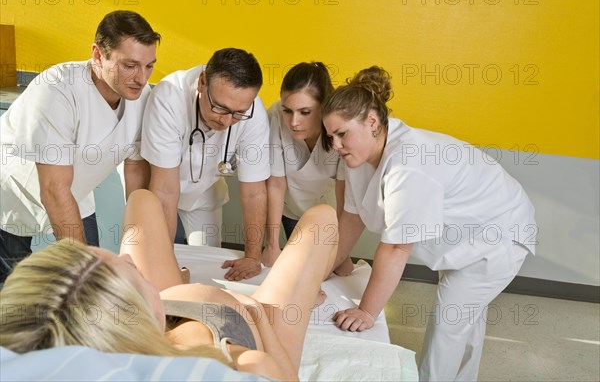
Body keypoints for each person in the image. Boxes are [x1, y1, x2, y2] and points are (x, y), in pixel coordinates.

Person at [322, 66, 537, 381]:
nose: (336, 145)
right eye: (331, 136)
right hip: (469, 234)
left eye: (342, 133)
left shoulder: (408, 163)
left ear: (371, 121)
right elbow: (351, 222)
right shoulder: (357, 156)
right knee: (464, 320)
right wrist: (321, 269)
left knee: (449, 324)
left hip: (499, 233)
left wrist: (367, 312)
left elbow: (397, 247)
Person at [0, 189, 337, 381]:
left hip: (168, 304)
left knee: (141, 199)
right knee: (322, 219)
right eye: (131, 271)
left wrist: (169, 289)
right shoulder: (244, 365)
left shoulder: (109, 334)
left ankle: (172, 279)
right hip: (249, 321)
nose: (129, 257)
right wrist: (257, 315)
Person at [0, 10, 160, 283]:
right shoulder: (57, 90)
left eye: (149, 66)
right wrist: (86, 269)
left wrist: (139, 248)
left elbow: (135, 172)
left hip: (76, 194)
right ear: (98, 55)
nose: (141, 78)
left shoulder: (142, 97)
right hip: (13, 195)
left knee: (88, 282)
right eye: (130, 65)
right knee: (14, 294)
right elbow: (52, 188)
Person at [142, 48, 269, 282]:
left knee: (211, 263)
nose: (226, 120)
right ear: (202, 82)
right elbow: (164, 190)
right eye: (219, 107)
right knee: (153, 261)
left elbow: (254, 192)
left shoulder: (254, 113)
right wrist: (165, 266)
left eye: (237, 113)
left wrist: (253, 256)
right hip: (156, 183)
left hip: (205, 189)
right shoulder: (169, 96)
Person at [263, 62, 345, 267]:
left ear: (324, 107)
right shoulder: (275, 115)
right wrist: (271, 245)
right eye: (288, 110)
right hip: (289, 208)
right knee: (297, 266)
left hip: (328, 211)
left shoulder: (342, 126)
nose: (293, 122)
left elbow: (345, 192)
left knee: (329, 268)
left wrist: (343, 251)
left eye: (305, 112)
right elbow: (275, 183)